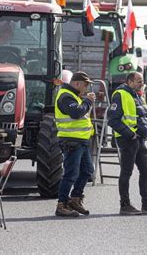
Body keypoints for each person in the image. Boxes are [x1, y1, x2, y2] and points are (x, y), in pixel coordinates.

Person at [107, 72, 147, 215]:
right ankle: (125, 205)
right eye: (139, 81)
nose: (142, 84)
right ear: (130, 82)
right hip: (128, 140)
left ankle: (146, 204)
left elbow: (143, 116)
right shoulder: (120, 94)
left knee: (146, 171)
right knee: (126, 172)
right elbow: (113, 120)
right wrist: (130, 134)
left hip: (139, 140)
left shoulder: (137, 95)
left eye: (142, 81)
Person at [54, 71, 95, 217]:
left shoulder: (74, 96)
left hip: (80, 141)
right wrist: (88, 101)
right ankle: (62, 204)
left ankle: (75, 199)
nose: (87, 88)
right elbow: (76, 113)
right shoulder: (65, 95)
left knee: (87, 171)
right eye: (85, 85)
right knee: (71, 174)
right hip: (71, 141)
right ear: (77, 83)